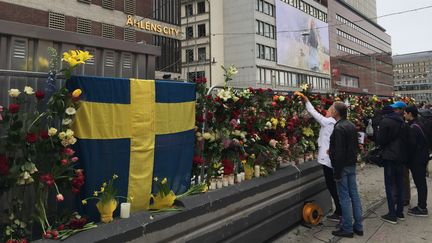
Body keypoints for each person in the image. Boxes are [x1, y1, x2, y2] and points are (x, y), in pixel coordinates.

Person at [299, 94, 341, 221]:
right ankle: (339, 210)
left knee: (331, 185)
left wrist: (307, 101)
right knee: (333, 185)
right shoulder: (334, 123)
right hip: (330, 158)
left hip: (327, 159)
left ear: (333, 113)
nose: (326, 111)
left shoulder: (328, 122)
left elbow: (314, 113)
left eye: (328, 110)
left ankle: (339, 211)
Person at [329, 102, 363, 238]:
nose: (330, 110)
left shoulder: (338, 128)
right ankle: (359, 226)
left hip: (342, 166)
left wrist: (337, 172)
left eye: (332, 108)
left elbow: (339, 152)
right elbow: (352, 146)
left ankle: (347, 228)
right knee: (354, 194)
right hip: (351, 164)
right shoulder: (351, 125)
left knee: (344, 197)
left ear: (336, 113)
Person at [376, 105, 407, 224]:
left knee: (389, 184)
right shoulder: (402, 121)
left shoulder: (385, 122)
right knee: (400, 184)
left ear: (385, 114)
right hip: (400, 156)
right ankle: (400, 212)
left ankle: (392, 214)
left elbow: (380, 140)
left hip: (389, 156)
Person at [404, 105, 429, 216]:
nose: (404, 115)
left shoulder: (414, 127)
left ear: (410, 114)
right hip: (422, 157)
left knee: (420, 183)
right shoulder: (420, 123)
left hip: (417, 159)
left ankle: (422, 208)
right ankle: (421, 205)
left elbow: (411, 146)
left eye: (405, 113)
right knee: (421, 183)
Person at [391, 101, 411, 206]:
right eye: (394, 109)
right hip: (397, 154)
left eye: (397, 109)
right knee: (397, 177)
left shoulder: (405, 123)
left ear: (402, 110)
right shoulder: (397, 121)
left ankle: (405, 198)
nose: (394, 110)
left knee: (404, 176)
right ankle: (399, 196)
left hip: (403, 155)